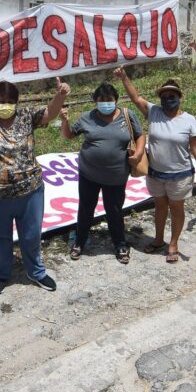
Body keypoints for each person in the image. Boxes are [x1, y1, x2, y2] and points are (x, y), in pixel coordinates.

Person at [0, 77, 70, 294]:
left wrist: (60, 95)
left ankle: (36, 271)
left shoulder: (26, 115)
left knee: (31, 234)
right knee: (0, 236)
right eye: (1, 100)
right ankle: (1, 274)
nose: (6, 104)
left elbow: (49, 113)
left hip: (30, 189)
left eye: (10, 100)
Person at [115, 67, 196, 264]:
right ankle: (158, 240)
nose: (168, 99)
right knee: (159, 207)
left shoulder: (189, 120)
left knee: (176, 208)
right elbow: (136, 98)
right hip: (155, 173)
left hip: (180, 174)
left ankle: (173, 243)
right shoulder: (154, 112)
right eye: (164, 96)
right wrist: (124, 78)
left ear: (179, 97)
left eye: (172, 95)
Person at [59, 82, 146, 264]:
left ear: (116, 100)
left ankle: (120, 244)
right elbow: (69, 135)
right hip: (89, 175)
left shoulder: (127, 115)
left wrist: (138, 153)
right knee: (85, 210)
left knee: (114, 211)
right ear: (95, 101)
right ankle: (80, 242)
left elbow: (140, 135)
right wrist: (65, 121)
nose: (106, 103)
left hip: (116, 176)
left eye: (109, 100)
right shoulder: (86, 118)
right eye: (102, 100)